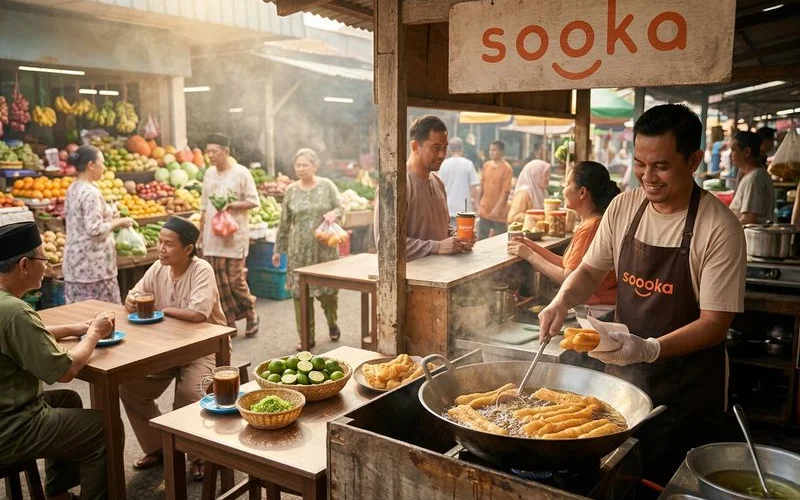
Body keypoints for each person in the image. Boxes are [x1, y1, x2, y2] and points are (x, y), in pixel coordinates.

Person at [538, 104, 746, 484]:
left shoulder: (719, 228)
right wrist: (561, 300)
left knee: (663, 484)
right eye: (640, 164)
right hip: (625, 379)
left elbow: (715, 324)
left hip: (686, 391)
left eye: (661, 166)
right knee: (618, 477)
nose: (647, 177)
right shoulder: (625, 207)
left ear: (694, 159)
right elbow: (588, 270)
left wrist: (648, 348)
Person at [0, 222, 113, 500]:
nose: (48, 266)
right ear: (25, 265)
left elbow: (24, 335)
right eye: (44, 259)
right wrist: (95, 333)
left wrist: (76, 328)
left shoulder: (7, 307)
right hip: (11, 427)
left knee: (67, 401)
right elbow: (66, 369)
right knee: (103, 428)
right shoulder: (15, 311)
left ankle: (58, 493)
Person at [120, 216, 227, 480]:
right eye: (160, 242)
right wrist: (132, 300)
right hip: (165, 348)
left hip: (202, 348)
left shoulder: (201, 269)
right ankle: (159, 447)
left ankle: (199, 456)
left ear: (188, 249)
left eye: (168, 244)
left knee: (190, 394)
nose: (161, 248)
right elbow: (132, 295)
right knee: (128, 387)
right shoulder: (157, 268)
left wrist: (159, 309)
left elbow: (198, 313)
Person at [508, 161, 619, 310]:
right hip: (594, 305)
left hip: (598, 309)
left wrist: (529, 255)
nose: (563, 190)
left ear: (582, 192)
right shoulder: (589, 222)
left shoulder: (592, 227)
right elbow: (566, 264)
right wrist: (529, 245)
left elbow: (568, 277)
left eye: (566, 184)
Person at [374, 115, 476, 261]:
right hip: (410, 279)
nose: (442, 155)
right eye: (436, 148)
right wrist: (437, 247)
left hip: (440, 276)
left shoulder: (438, 182)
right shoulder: (396, 185)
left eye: (444, 148)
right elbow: (385, 243)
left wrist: (459, 237)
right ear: (415, 147)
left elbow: (443, 229)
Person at [273, 149, 342, 351]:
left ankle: (332, 322)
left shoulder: (327, 186)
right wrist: (279, 249)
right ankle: (306, 337)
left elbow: (340, 208)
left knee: (328, 293)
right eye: (298, 165)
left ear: (315, 166)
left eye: (305, 165)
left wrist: (333, 213)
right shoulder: (291, 191)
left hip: (324, 250)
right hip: (298, 252)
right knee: (299, 295)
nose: (300, 169)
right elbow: (284, 221)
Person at [200, 133, 260, 336]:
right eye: (208, 151)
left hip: (234, 237)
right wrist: (201, 234)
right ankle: (229, 322)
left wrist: (231, 204)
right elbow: (203, 206)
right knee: (217, 282)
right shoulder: (209, 174)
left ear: (225, 151)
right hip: (212, 237)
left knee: (235, 280)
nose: (210, 155)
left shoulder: (241, 173)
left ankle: (251, 312)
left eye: (214, 151)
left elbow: (253, 201)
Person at [63, 145, 133, 303]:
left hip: (75, 264)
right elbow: (94, 229)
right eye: (102, 163)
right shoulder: (91, 193)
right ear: (91, 165)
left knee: (79, 317)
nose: (104, 167)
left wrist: (109, 213)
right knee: (102, 315)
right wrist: (120, 222)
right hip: (93, 267)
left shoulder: (73, 188)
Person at [729, 131, 774, 224]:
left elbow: (749, 219)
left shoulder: (754, 178)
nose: (731, 155)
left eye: (733, 149)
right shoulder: (751, 176)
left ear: (747, 152)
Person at [438, 137, 480, 226]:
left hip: (447, 209)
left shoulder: (443, 164)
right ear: (462, 148)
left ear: (449, 149)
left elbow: (438, 187)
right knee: (465, 237)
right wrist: (477, 206)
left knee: (449, 237)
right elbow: (473, 188)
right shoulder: (468, 164)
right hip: (464, 210)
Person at [478, 140, 513, 239]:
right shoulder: (486, 165)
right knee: (481, 240)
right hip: (484, 210)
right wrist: (478, 204)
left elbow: (505, 192)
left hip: (499, 214)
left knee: (499, 242)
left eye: (494, 150)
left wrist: (496, 209)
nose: (491, 152)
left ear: (501, 152)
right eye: (490, 150)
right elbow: (482, 186)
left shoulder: (507, 169)